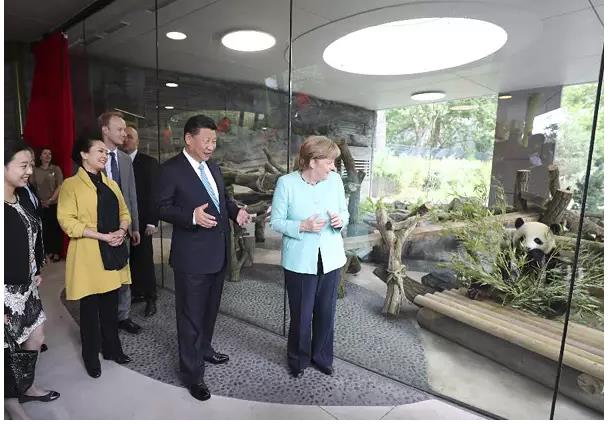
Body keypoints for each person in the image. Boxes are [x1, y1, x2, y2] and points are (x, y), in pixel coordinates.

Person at [158, 114, 251, 401]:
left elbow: (222, 198)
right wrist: (191, 217)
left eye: (214, 141)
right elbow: (161, 207)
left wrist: (236, 212)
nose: (211, 146)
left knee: (210, 311)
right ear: (189, 138)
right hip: (191, 258)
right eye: (207, 140)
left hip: (218, 253)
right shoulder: (170, 170)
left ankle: (204, 349)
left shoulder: (213, 166)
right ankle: (192, 374)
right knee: (190, 316)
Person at [270, 135, 348, 378]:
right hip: (299, 261)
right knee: (302, 316)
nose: (333, 167)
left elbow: (344, 213)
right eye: (329, 162)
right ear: (313, 161)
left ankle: (322, 357)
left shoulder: (335, 181)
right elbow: (276, 221)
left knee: (326, 312)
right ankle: (298, 359)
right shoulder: (286, 183)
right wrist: (301, 226)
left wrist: (340, 221)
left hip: (331, 258)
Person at [57, 135, 133, 378]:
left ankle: (112, 349)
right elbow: (67, 222)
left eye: (105, 152)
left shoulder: (111, 184)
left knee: (110, 305)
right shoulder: (71, 185)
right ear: (83, 154)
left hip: (112, 250)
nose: (104, 155)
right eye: (99, 151)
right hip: (88, 254)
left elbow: (124, 212)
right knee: (90, 310)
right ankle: (90, 356)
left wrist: (121, 231)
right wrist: (102, 236)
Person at [4, 139, 60, 420]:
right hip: (5, 292)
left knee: (36, 337)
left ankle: (26, 386)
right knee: (7, 349)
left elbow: (29, 237)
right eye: (23, 165)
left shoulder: (21, 197)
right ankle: (11, 402)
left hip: (27, 287)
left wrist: (35, 269)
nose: (29, 171)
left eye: (31, 165)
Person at [98, 111, 142, 334]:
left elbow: (131, 194)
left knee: (124, 274)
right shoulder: (91, 156)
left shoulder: (124, 159)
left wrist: (134, 227)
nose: (124, 134)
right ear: (105, 130)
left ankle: (123, 316)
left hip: (124, 228)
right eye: (120, 129)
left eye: (125, 130)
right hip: (99, 230)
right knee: (102, 275)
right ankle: (103, 319)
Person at [122, 126, 159, 317]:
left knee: (145, 260)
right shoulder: (117, 161)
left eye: (130, 136)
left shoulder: (149, 163)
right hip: (123, 221)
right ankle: (136, 292)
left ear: (137, 141)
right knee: (130, 260)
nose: (126, 139)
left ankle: (151, 297)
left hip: (144, 221)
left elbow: (155, 193)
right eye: (124, 136)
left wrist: (153, 221)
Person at [31, 148, 64, 262]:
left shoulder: (56, 169)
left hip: (54, 204)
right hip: (40, 204)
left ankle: (56, 252)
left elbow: (60, 186)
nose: (48, 155)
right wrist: (40, 201)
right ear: (40, 156)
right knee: (43, 229)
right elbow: (32, 187)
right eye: (45, 153)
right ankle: (46, 252)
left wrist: (50, 200)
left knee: (55, 229)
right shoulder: (35, 170)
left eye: (49, 153)